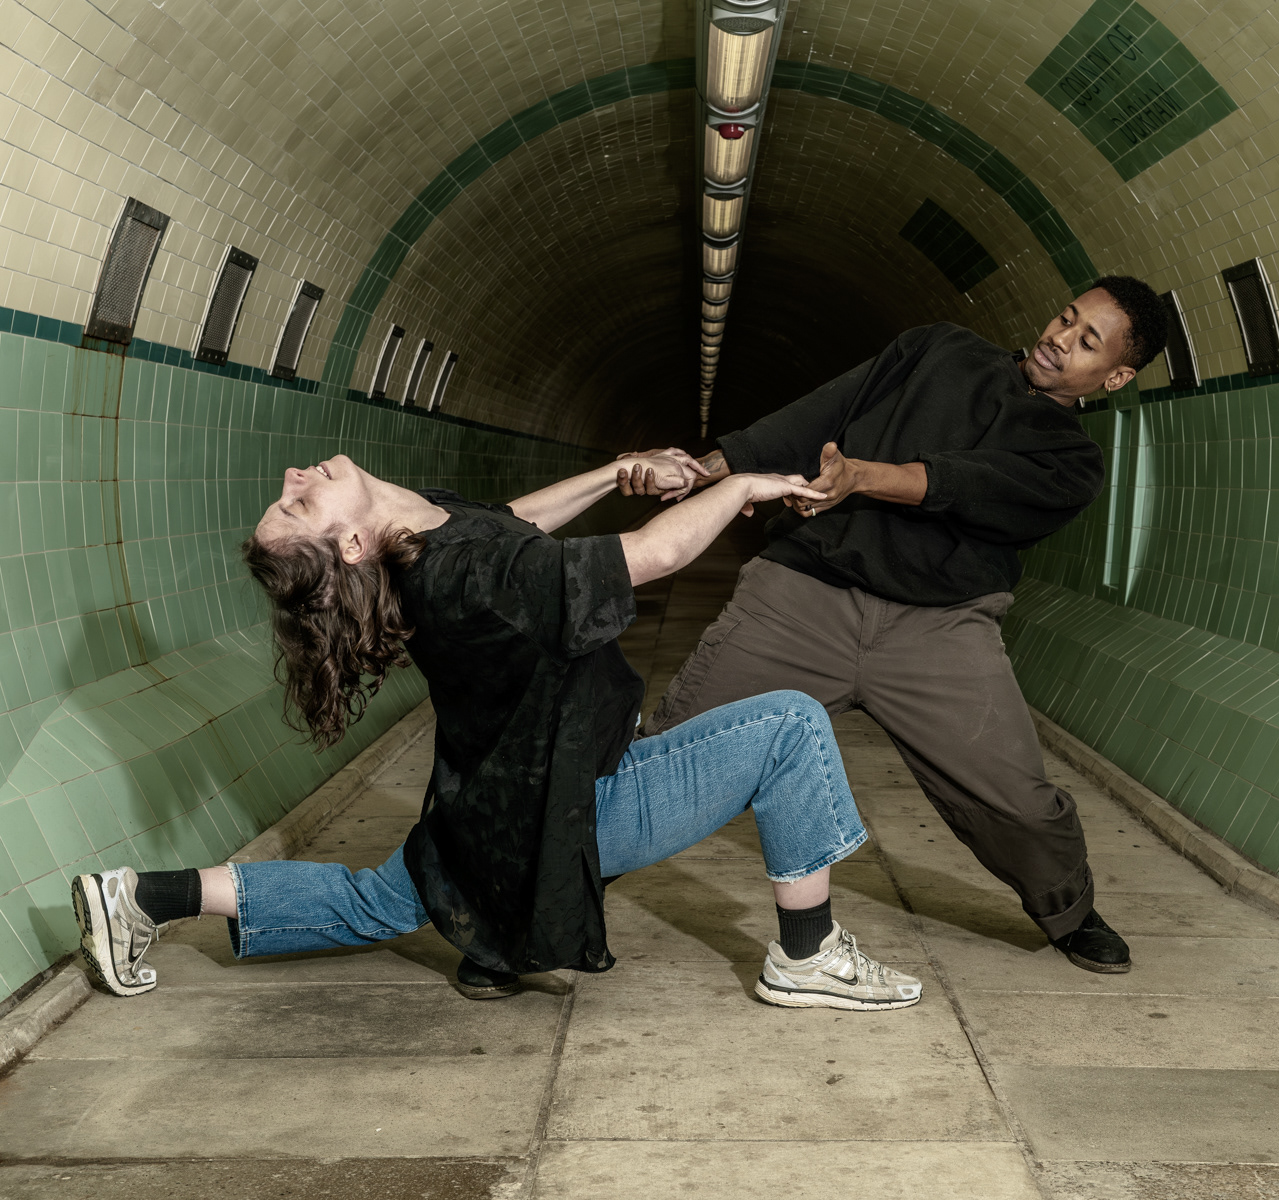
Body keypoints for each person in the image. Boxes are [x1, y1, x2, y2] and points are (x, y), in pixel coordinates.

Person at [72, 450, 922, 1012]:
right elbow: (652, 556)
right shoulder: (465, 577)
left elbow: (511, 522)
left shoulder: (424, 538)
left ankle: (140, 897)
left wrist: (612, 471)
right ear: (355, 541)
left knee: (372, 903)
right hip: (573, 798)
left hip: (488, 805)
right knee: (789, 726)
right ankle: (807, 956)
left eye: (291, 493)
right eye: (300, 502)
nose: (296, 475)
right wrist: (740, 489)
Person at [619, 277, 1170, 973]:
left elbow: (964, 483)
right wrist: (707, 470)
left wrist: (861, 478)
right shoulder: (940, 349)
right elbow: (822, 410)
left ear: (1116, 376)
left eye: (1087, 341)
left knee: (1020, 801)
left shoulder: (1072, 463)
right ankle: (551, 885)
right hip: (806, 597)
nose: (1059, 339)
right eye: (1065, 318)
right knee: (672, 751)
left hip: (940, 630)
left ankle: (1069, 910)